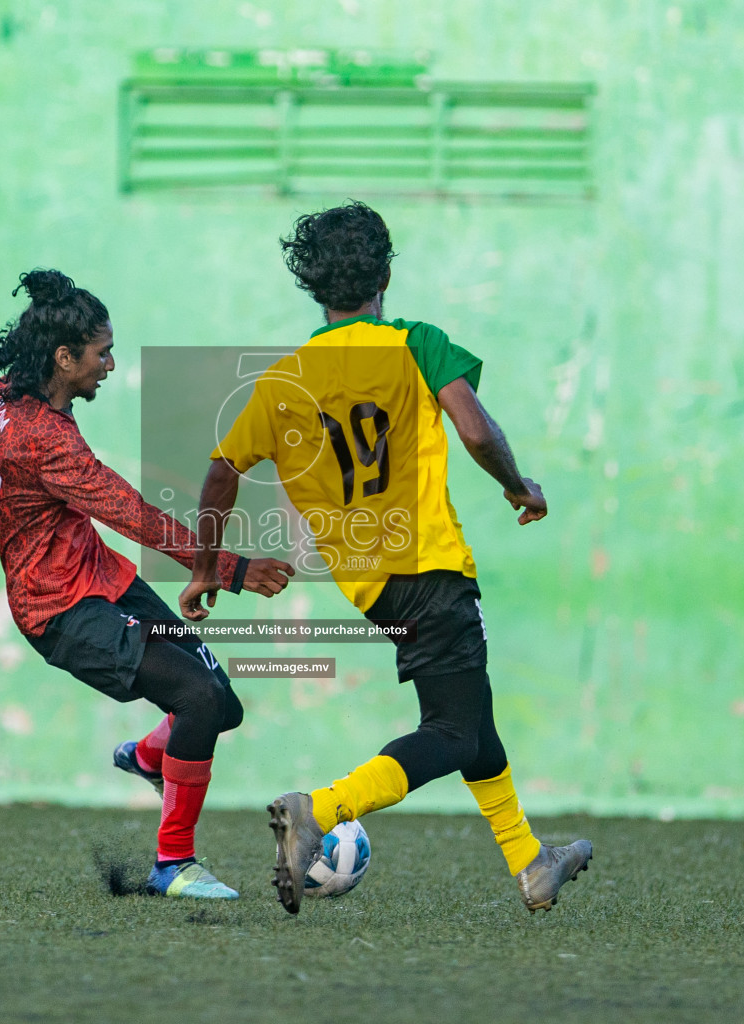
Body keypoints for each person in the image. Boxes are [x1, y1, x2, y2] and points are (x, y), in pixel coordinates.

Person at [0, 268, 294, 900]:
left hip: (106, 581)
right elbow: (131, 512)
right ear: (65, 358)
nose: (112, 364)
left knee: (219, 705)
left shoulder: (4, 401)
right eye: (103, 353)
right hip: (62, 611)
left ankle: (149, 758)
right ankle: (173, 866)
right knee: (198, 702)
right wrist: (226, 570)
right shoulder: (42, 438)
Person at [178, 203, 592, 915]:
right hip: (431, 568)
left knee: (474, 724)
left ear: (314, 288)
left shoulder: (283, 382)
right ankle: (321, 811)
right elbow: (474, 427)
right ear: (387, 276)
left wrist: (207, 565)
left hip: (372, 587)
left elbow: (221, 473)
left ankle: (532, 863)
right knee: (455, 730)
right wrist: (519, 486)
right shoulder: (416, 343)